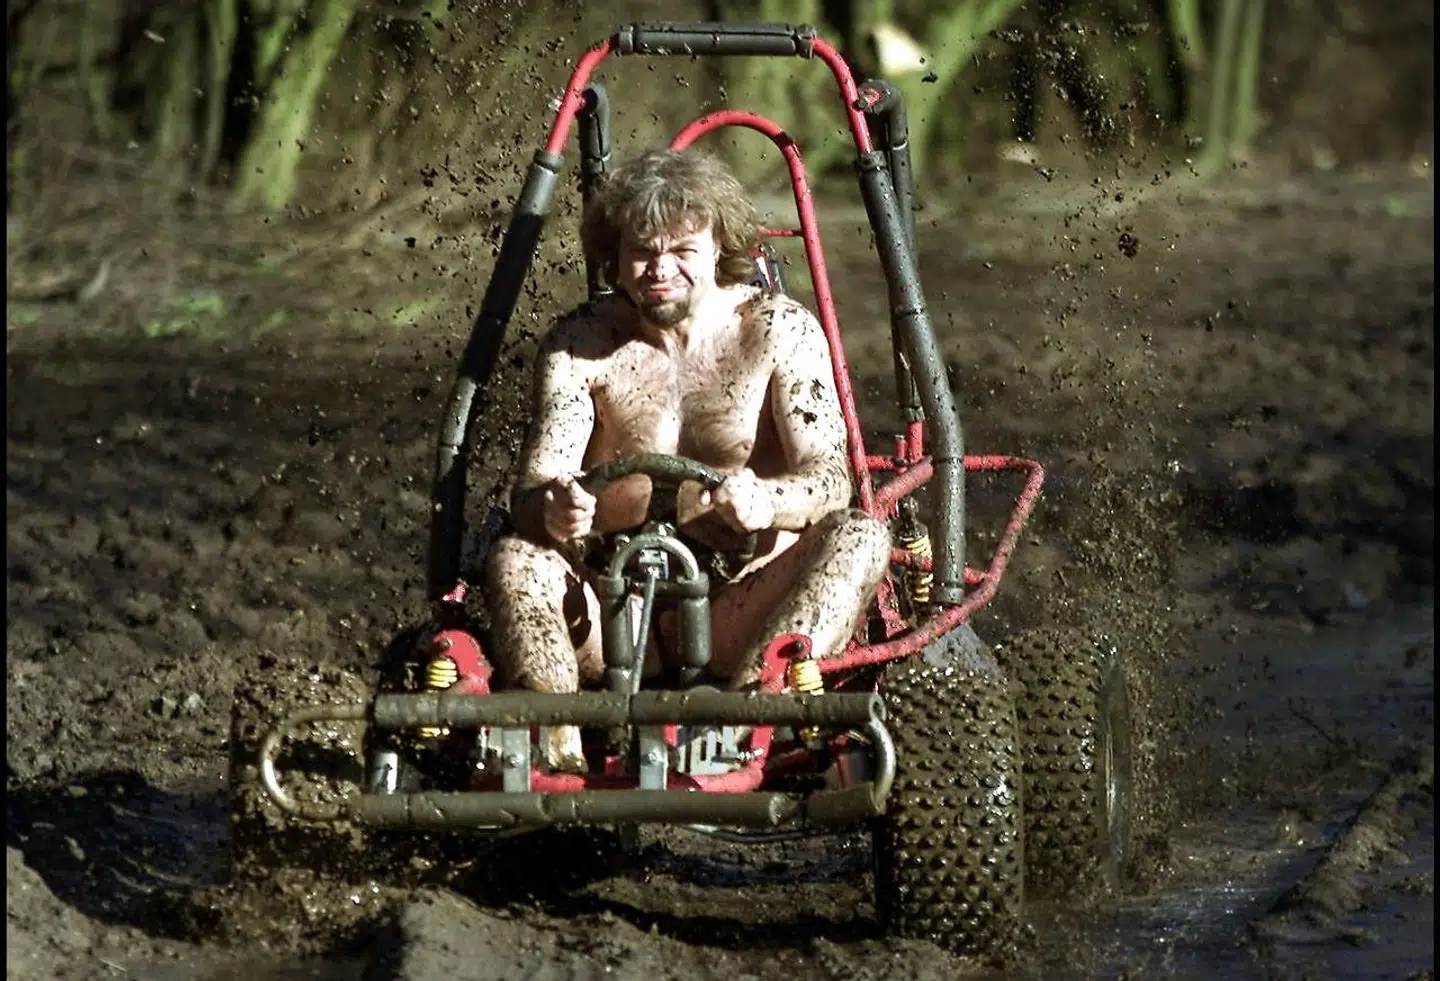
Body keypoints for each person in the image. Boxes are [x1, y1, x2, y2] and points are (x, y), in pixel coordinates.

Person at [482, 148, 891, 772]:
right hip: (612, 608)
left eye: (681, 251)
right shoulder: (581, 345)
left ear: (720, 248)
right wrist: (555, 507)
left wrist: (768, 499)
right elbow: (535, 486)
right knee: (514, 555)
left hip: (741, 604)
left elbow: (832, 479)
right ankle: (554, 746)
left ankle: (745, 730)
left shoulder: (779, 331)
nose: (659, 269)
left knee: (860, 536)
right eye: (642, 252)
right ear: (614, 256)